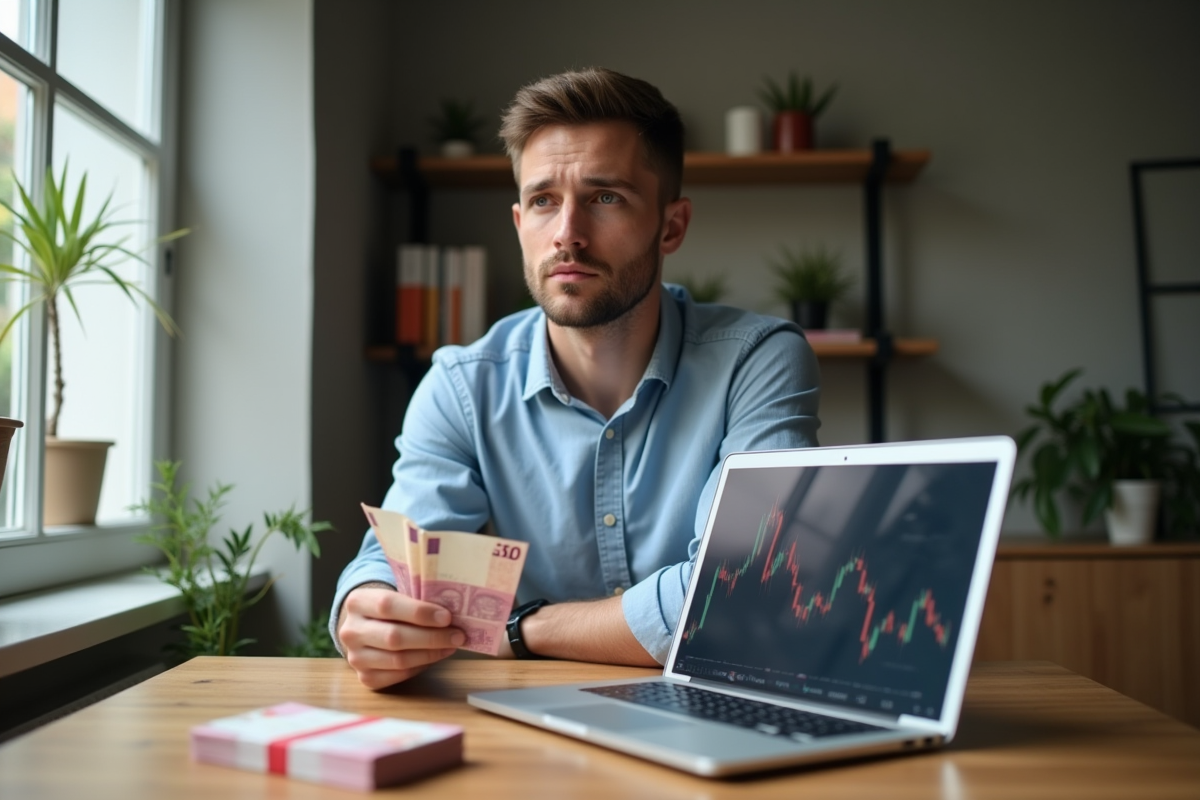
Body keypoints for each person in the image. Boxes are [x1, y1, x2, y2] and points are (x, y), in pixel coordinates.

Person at [332, 67, 821, 689]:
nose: (567, 234)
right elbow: (395, 564)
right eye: (543, 201)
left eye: (605, 197)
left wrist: (520, 629)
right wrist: (367, 608)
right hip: (528, 738)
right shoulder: (461, 385)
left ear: (671, 225)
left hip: (716, 717)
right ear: (519, 223)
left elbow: (742, 593)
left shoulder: (757, 360)